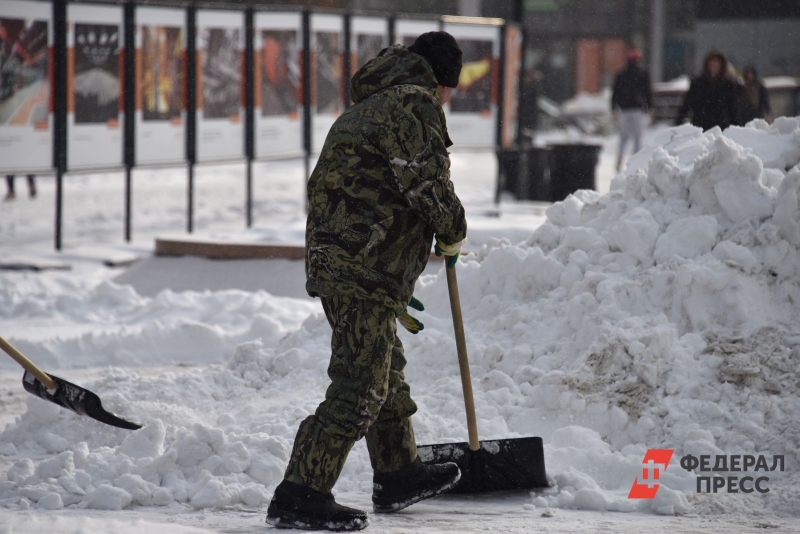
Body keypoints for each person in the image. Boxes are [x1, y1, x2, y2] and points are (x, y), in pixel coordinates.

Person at [266, 32, 468, 532]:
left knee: (384, 369)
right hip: (362, 265)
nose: (447, 99)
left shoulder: (372, 105)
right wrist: (453, 230)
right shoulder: (412, 105)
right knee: (360, 385)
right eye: (450, 88)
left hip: (351, 261)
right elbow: (425, 181)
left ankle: (398, 472)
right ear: (441, 80)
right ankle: (300, 492)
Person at [676, 50, 740, 131]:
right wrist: (679, 121)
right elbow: (687, 104)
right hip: (701, 127)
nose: (714, 67)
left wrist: (737, 128)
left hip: (721, 129)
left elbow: (734, 109)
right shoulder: (698, 84)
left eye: (717, 64)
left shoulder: (728, 85)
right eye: (712, 64)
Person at [611, 48, 652, 171]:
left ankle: (620, 158)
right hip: (638, 110)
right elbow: (648, 92)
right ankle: (636, 163)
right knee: (638, 138)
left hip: (624, 110)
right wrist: (649, 106)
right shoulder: (643, 74)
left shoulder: (621, 75)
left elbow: (615, 93)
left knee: (624, 137)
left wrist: (614, 107)